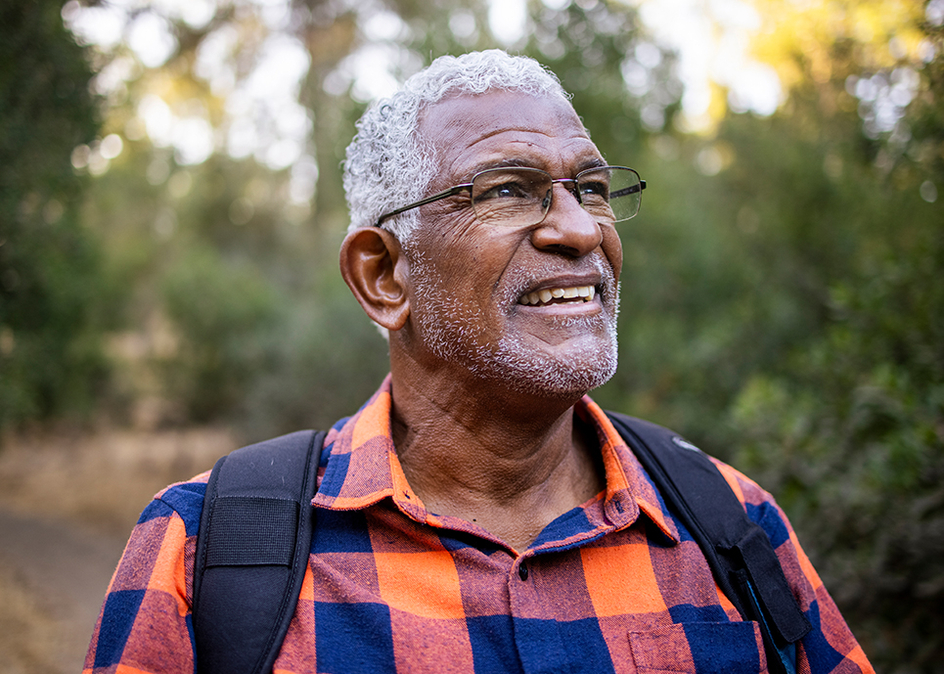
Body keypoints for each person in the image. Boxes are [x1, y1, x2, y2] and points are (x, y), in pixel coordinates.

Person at [84, 49, 872, 674]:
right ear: (384, 276)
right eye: (508, 190)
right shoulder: (201, 553)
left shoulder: (732, 526)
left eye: (591, 188)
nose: (581, 230)